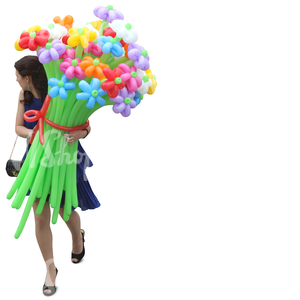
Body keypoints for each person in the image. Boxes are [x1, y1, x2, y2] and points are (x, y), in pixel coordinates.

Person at [14, 55, 100, 296]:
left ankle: (77, 238)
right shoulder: (24, 96)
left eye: (18, 77)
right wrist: (34, 135)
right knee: (40, 216)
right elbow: (18, 127)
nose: (17, 81)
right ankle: (50, 269)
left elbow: (86, 125)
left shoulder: (61, 90)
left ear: (27, 77)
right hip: (37, 160)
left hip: (64, 158)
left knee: (64, 208)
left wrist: (79, 134)